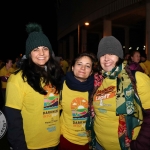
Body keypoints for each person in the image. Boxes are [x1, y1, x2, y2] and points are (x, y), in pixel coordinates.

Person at [4, 23, 62, 150]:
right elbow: (13, 119)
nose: (41, 53)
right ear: (29, 53)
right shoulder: (17, 78)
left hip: (54, 142)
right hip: (31, 145)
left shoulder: (54, 75)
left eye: (45, 48)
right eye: (35, 49)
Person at [93, 36, 150, 150]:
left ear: (119, 56)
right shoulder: (98, 81)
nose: (106, 58)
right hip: (99, 145)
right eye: (103, 55)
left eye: (111, 53)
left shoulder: (137, 78)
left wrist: (140, 145)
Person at [58, 51, 96, 150]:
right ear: (72, 67)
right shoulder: (61, 85)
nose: (83, 68)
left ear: (91, 71)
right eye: (79, 64)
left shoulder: (96, 88)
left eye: (87, 66)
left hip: (89, 142)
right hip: (66, 139)